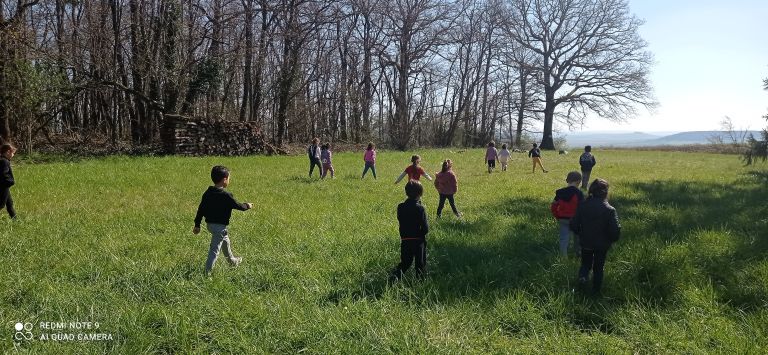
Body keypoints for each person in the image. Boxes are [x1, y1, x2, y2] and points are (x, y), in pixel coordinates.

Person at [193, 165, 253, 275]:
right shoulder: (226, 195)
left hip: (210, 225)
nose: (229, 180)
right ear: (225, 179)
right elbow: (238, 206)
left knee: (225, 242)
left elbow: (200, 209)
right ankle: (207, 273)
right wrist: (247, 205)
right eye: (229, 178)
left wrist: (197, 224)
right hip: (219, 227)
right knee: (214, 251)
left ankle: (232, 261)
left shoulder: (208, 193)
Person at [569, 179, 621, 294]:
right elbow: (615, 229)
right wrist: (612, 239)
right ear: (605, 192)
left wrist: (580, 233)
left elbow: (574, 224)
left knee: (585, 263)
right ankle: (596, 291)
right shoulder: (610, 209)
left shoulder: (582, 205)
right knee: (598, 267)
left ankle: (583, 278)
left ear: (591, 190)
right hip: (602, 245)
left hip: (586, 241)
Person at [391, 180, 429, 280]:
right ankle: (420, 283)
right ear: (420, 193)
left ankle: (393, 279)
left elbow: (401, 219)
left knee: (405, 263)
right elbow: (425, 228)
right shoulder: (420, 208)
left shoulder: (401, 207)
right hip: (418, 240)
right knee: (420, 264)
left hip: (405, 239)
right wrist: (420, 235)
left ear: (406, 192)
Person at [551, 171, 585, 256]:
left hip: (562, 218)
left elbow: (553, 204)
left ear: (568, 180)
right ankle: (578, 253)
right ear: (578, 181)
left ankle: (563, 257)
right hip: (575, 219)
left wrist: (557, 215)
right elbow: (582, 208)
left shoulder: (560, 192)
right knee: (577, 237)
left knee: (564, 238)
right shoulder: (579, 193)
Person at [0, 144, 17, 220]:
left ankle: (15, 219)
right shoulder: (4, 162)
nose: (13, 155)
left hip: (5, 186)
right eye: (13, 153)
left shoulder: (3, 160)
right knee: (1, 204)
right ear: (8, 152)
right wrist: (10, 181)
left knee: (9, 204)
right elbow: (4, 174)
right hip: (3, 186)